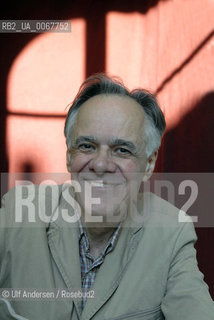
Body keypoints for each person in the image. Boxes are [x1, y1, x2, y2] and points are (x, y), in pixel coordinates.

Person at [0, 74, 213, 320]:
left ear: (149, 163)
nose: (101, 164)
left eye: (122, 150)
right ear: (69, 155)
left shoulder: (172, 232)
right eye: (87, 146)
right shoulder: (17, 213)